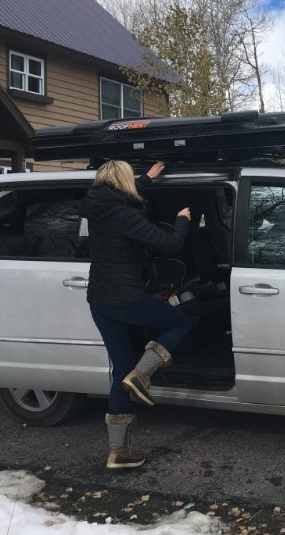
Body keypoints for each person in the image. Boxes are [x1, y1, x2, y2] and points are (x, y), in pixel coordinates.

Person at [80, 159, 191, 470]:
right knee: (180, 321)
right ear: (122, 182)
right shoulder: (124, 215)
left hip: (100, 302)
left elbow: (124, 197)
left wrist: (147, 179)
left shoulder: (98, 207)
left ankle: (119, 451)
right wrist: (182, 219)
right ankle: (142, 374)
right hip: (127, 298)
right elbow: (171, 242)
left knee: (120, 369)